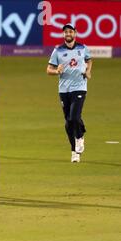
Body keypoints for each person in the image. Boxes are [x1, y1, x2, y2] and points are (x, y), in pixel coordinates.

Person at [47, 23, 92, 163]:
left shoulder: (83, 48)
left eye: (70, 32)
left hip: (79, 87)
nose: (68, 34)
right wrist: (57, 71)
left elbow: (89, 60)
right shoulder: (58, 51)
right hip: (64, 89)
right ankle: (74, 151)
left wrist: (88, 71)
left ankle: (79, 137)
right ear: (63, 34)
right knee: (68, 122)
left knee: (74, 117)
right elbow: (49, 69)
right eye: (66, 32)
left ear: (75, 33)